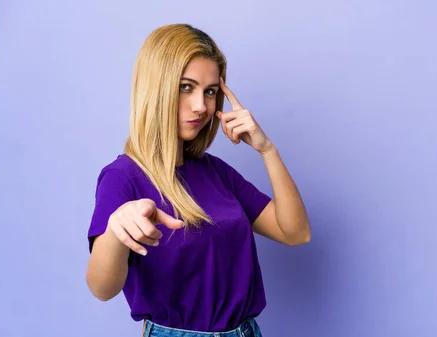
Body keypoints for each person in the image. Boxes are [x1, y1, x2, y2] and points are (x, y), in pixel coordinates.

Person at [85, 24, 311, 337]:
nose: (201, 107)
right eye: (186, 87)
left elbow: (296, 232)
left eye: (210, 91)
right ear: (157, 88)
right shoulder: (122, 178)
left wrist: (267, 149)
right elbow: (102, 288)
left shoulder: (217, 173)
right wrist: (115, 231)